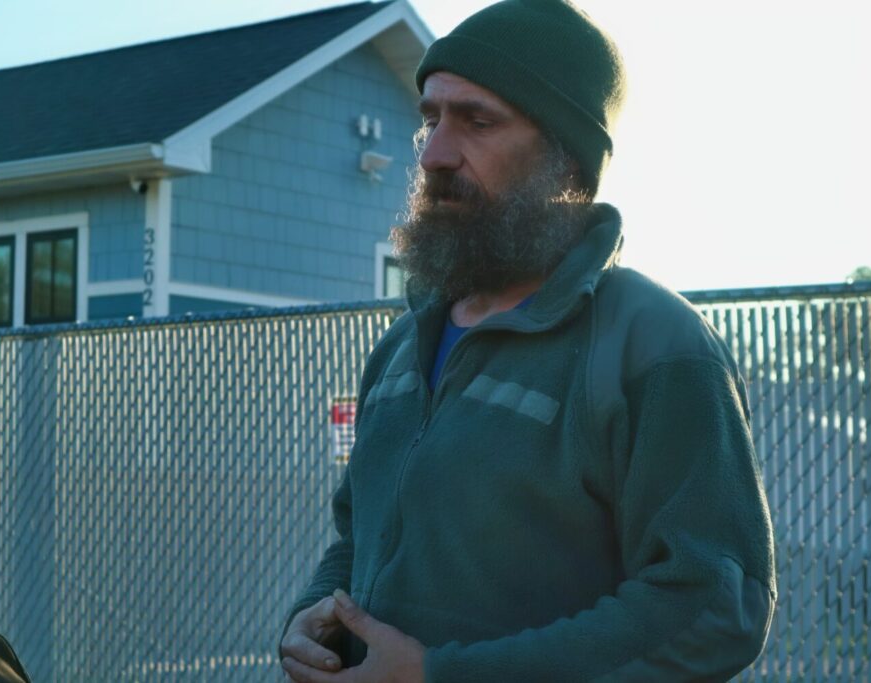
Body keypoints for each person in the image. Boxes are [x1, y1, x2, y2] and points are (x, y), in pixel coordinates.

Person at [280, 0, 776, 680]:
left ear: (566, 158)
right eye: (430, 118)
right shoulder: (400, 348)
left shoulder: (654, 344)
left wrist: (443, 673)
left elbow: (711, 605)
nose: (434, 154)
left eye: (477, 121)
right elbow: (357, 536)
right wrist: (311, 616)